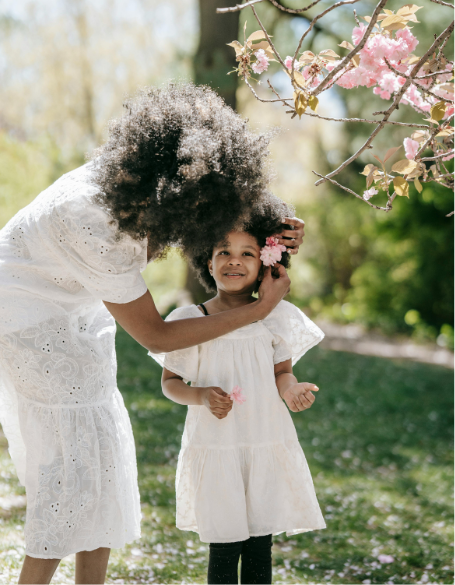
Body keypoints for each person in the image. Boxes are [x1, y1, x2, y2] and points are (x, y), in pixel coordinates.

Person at [0, 83, 306, 585]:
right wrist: (259, 311)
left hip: (75, 306)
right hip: (24, 318)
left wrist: (277, 226)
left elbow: (232, 212)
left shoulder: (152, 188)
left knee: (101, 466)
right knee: (71, 476)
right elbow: (159, 338)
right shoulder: (95, 218)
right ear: (182, 183)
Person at [149, 195, 326, 585]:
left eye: (248, 253)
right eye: (223, 251)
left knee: (260, 544)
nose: (234, 260)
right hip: (216, 444)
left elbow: (282, 372)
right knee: (225, 545)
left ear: (265, 262)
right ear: (206, 261)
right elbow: (171, 383)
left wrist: (291, 389)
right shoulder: (189, 320)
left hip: (264, 438)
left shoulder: (275, 317)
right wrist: (199, 396)